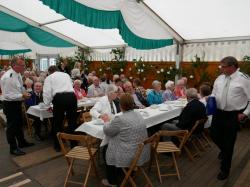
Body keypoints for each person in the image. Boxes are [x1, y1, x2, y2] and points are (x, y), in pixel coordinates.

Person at [210, 56, 250, 180]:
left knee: (229, 142)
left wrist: (245, 113)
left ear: (232, 66)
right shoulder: (220, 78)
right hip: (218, 113)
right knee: (213, 135)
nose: (221, 69)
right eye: (221, 66)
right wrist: (211, 100)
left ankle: (224, 170)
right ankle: (225, 151)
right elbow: (214, 92)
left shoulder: (244, 79)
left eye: (223, 66)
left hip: (233, 115)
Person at [102, 93, 150, 186]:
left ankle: (112, 181)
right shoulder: (138, 113)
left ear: (120, 105)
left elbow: (108, 131)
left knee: (106, 148)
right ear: (133, 104)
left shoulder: (120, 118)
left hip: (130, 153)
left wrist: (106, 121)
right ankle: (126, 172)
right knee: (118, 141)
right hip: (142, 150)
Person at [1, 57, 34, 156]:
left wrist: (24, 93)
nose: (24, 67)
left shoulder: (18, 74)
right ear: (15, 66)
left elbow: (19, 87)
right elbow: (7, 95)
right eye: (22, 65)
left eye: (24, 65)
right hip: (10, 104)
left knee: (19, 124)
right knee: (12, 127)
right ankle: (13, 148)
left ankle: (22, 142)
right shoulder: (8, 77)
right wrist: (22, 95)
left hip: (17, 102)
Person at [43, 66, 77, 152]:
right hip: (72, 97)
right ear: (57, 70)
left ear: (50, 72)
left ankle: (58, 145)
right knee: (72, 121)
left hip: (60, 98)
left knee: (57, 122)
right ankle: (73, 143)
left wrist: (47, 105)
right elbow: (71, 85)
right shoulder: (66, 75)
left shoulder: (49, 77)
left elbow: (47, 92)